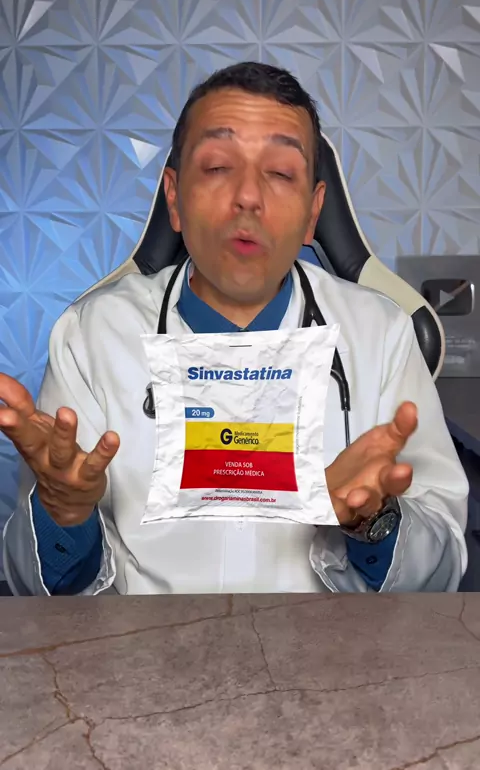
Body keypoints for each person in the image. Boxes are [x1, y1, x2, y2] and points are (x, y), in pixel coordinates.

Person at [0, 61, 468, 596]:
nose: (248, 195)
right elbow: (37, 589)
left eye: (281, 173)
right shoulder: (92, 336)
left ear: (313, 212)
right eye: (218, 166)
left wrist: (374, 522)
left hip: (329, 647)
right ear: (174, 198)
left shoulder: (380, 333)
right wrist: (64, 518)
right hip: (145, 646)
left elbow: (443, 567)